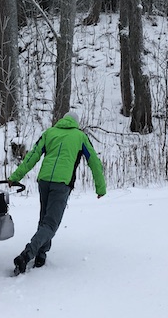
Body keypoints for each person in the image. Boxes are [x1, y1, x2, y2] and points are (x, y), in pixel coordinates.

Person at [8, 111, 106, 274]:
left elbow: (32, 156)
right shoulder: (80, 137)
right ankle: (27, 255)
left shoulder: (49, 133)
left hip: (44, 181)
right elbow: (94, 162)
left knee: (44, 221)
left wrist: (15, 176)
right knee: (51, 224)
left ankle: (41, 255)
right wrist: (100, 187)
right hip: (62, 184)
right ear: (77, 123)